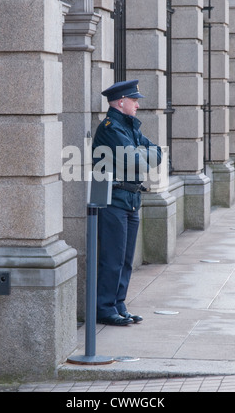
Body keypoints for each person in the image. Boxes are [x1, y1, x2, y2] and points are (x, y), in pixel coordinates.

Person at [92, 79, 162, 326]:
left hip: (131, 198)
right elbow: (136, 162)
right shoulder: (111, 128)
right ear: (121, 102)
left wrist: (139, 153)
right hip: (114, 199)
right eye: (134, 100)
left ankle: (119, 304)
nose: (138, 105)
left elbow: (158, 153)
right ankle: (104, 308)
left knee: (125, 259)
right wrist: (140, 153)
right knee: (112, 258)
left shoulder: (130, 126)